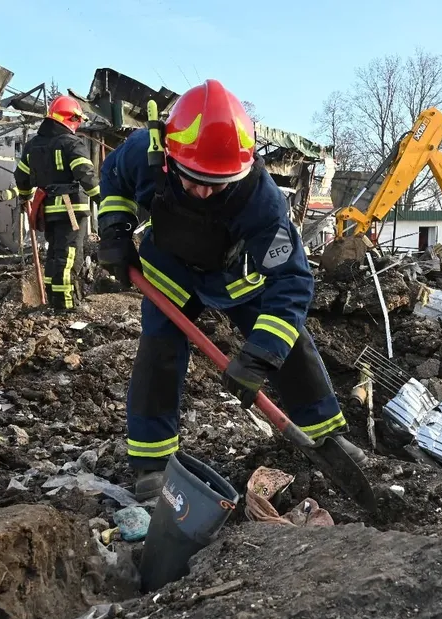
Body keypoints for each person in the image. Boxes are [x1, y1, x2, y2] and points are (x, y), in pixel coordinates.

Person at [97, 79, 367, 499]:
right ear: (169, 158)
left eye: (216, 184)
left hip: (239, 279)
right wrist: (115, 229)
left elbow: (292, 282)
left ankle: (325, 436)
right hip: (170, 270)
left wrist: (259, 358)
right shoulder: (145, 152)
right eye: (192, 179)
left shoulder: (263, 202)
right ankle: (152, 461)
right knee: (159, 354)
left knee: (292, 347)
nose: (204, 191)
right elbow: (113, 178)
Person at [14, 95, 101, 311]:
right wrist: (105, 202)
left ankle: (54, 302)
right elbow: (86, 175)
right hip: (72, 211)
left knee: (54, 256)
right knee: (69, 257)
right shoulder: (71, 143)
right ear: (71, 118)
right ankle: (67, 307)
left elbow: (21, 176)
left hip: (48, 212)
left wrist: (24, 196)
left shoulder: (32, 145)